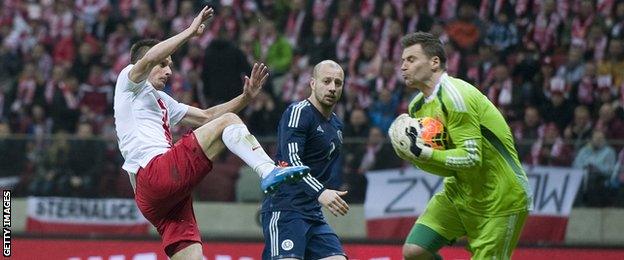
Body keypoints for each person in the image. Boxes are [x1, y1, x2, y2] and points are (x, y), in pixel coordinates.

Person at [113, 7, 309, 259]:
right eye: (164, 64)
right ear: (143, 63)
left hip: (157, 199)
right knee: (229, 121)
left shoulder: (160, 99)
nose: (169, 71)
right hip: (156, 173)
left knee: (193, 255)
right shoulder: (127, 83)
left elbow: (206, 116)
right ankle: (268, 170)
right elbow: (150, 57)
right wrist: (190, 32)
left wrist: (246, 97)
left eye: (170, 65)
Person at [392, 32, 532, 260]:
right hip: (460, 192)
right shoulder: (416, 107)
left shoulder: (456, 97)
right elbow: (448, 166)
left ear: (434, 62)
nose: (403, 67)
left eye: (411, 59)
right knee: (415, 251)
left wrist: (423, 152)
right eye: (402, 61)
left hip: (501, 198)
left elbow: (471, 157)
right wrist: (416, 157)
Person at [261, 60, 350, 259]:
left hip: (313, 213)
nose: (332, 88)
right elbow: (292, 162)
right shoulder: (298, 112)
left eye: (338, 83)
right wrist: (321, 192)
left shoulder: (337, 125)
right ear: (312, 83)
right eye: (326, 81)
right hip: (285, 209)